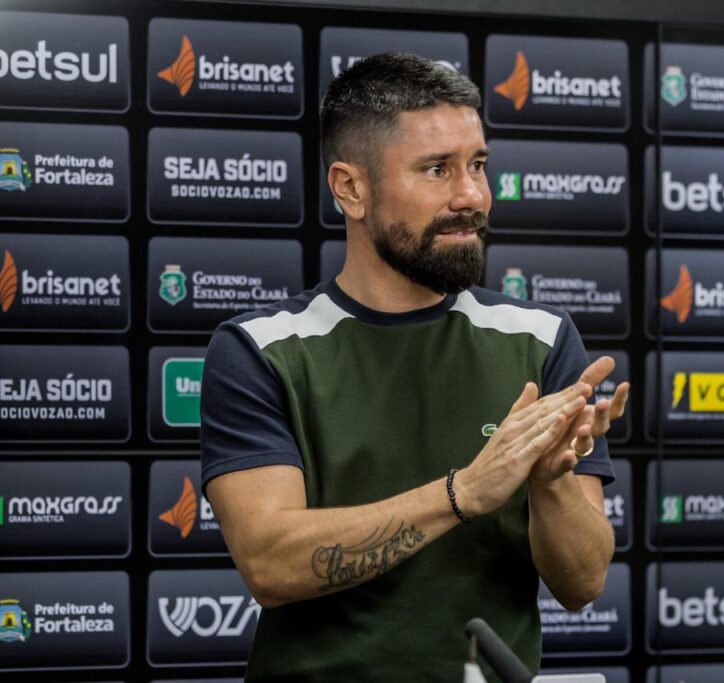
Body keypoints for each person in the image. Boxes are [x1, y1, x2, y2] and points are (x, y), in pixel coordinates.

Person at [200, 52, 629, 683]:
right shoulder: (261, 349)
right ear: (351, 188)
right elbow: (270, 565)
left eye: (477, 165)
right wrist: (463, 494)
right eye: (436, 169)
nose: (472, 196)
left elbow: (583, 584)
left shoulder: (540, 339)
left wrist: (551, 481)